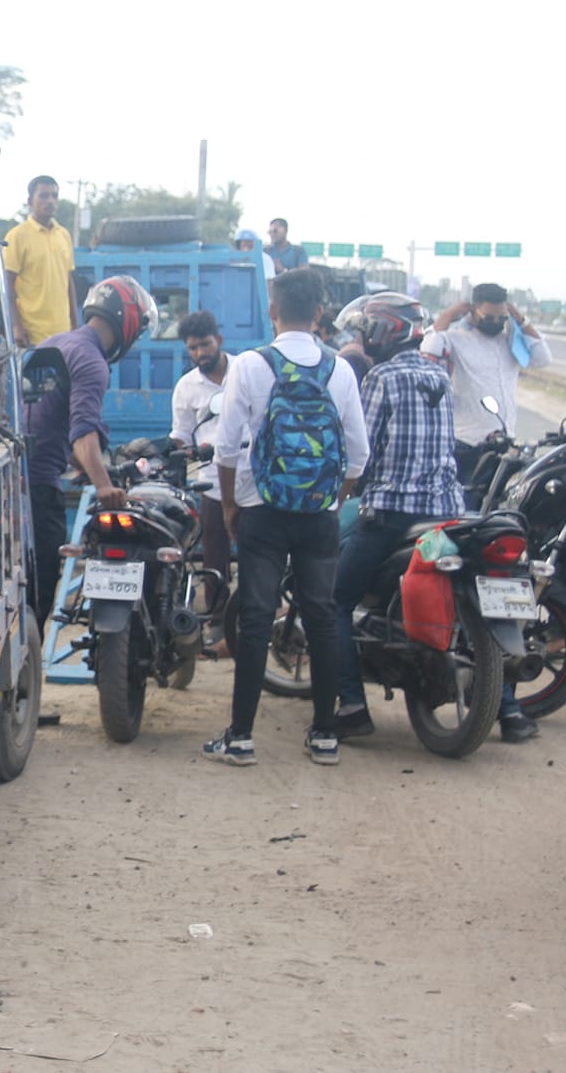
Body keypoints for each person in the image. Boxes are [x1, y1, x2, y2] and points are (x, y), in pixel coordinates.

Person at [325, 293, 535, 742]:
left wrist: (346, 481)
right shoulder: (435, 372)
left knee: (335, 602)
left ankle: (353, 705)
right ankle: (511, 711)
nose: (361, 342)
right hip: (447, 511)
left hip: (392, 514)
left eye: (364, 333)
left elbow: (360, 450)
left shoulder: (381, 377)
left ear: (382, 334)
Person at [207, 268, 367, 768]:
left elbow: (226, 446)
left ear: (272, 311)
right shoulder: (340, 370)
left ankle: (240, 738)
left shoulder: (252, 365)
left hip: (262, 509)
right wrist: (332, 500)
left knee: (255, 618)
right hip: (319, 513)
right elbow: (358, 455)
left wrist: (231, 505)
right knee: (321, 616)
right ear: (320, 314)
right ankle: (323, 735)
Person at [26, 276, 159, 622]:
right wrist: (104, 486)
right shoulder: (92, 361)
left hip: (14, 481)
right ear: (129, 320)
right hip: (41, 489)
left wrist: (85, 465)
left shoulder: (57, 342)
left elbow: (48, 417)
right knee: (40, 594)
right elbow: (83, 433)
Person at [422, 282, 551, 495]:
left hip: (504, 441)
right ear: (473, 311)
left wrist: (520, 319)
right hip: (467, 441)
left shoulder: (510, 342)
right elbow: (429, 348)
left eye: (501, 318)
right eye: (488, 317)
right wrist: (448, 315)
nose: (495, 323)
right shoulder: (456, 339)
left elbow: (543, 358)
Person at [171, 309, 233, 580]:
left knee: (259, 554)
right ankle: (218, 616)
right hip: (212, 485)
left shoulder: (244, 372)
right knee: (214, 555)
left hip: (251, 481)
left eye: (205, 344)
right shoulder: (186, 387)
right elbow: (182, 436)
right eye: (192, 348)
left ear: (219, 339)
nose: (199, 353)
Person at [4, 175, 77, 347]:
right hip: (32, 336)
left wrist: (75, 325)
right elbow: (7, 284)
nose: (50, 201)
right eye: (43, 196)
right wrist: (16, 327)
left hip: (64, 334)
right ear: (30, 201)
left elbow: (69, 282)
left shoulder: (64, 235)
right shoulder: (17, 236)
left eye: (54, 196)